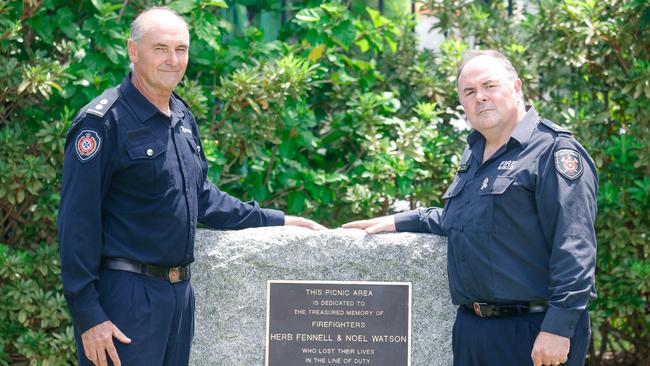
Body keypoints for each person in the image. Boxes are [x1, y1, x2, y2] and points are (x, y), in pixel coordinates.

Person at [58, 7, 325, 366]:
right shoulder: (104, 123)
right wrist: (89, 315)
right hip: (125, 299)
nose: (173, 60)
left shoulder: (181, 117)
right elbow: (76, 222)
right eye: (160, 49)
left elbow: (202, 198)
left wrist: (276, 220)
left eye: (181, 49)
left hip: (179, 297)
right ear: (133, 51)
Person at [343, 49, 597, 366]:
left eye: (489, 86)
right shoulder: (475, 153)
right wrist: (401, 220)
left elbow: (575, 245)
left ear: (517, 87)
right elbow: (466, 218)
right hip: (473, 329)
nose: (480, 97)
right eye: (470, 92)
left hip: (533, 331)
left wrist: (559, 328)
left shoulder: (553, 151)